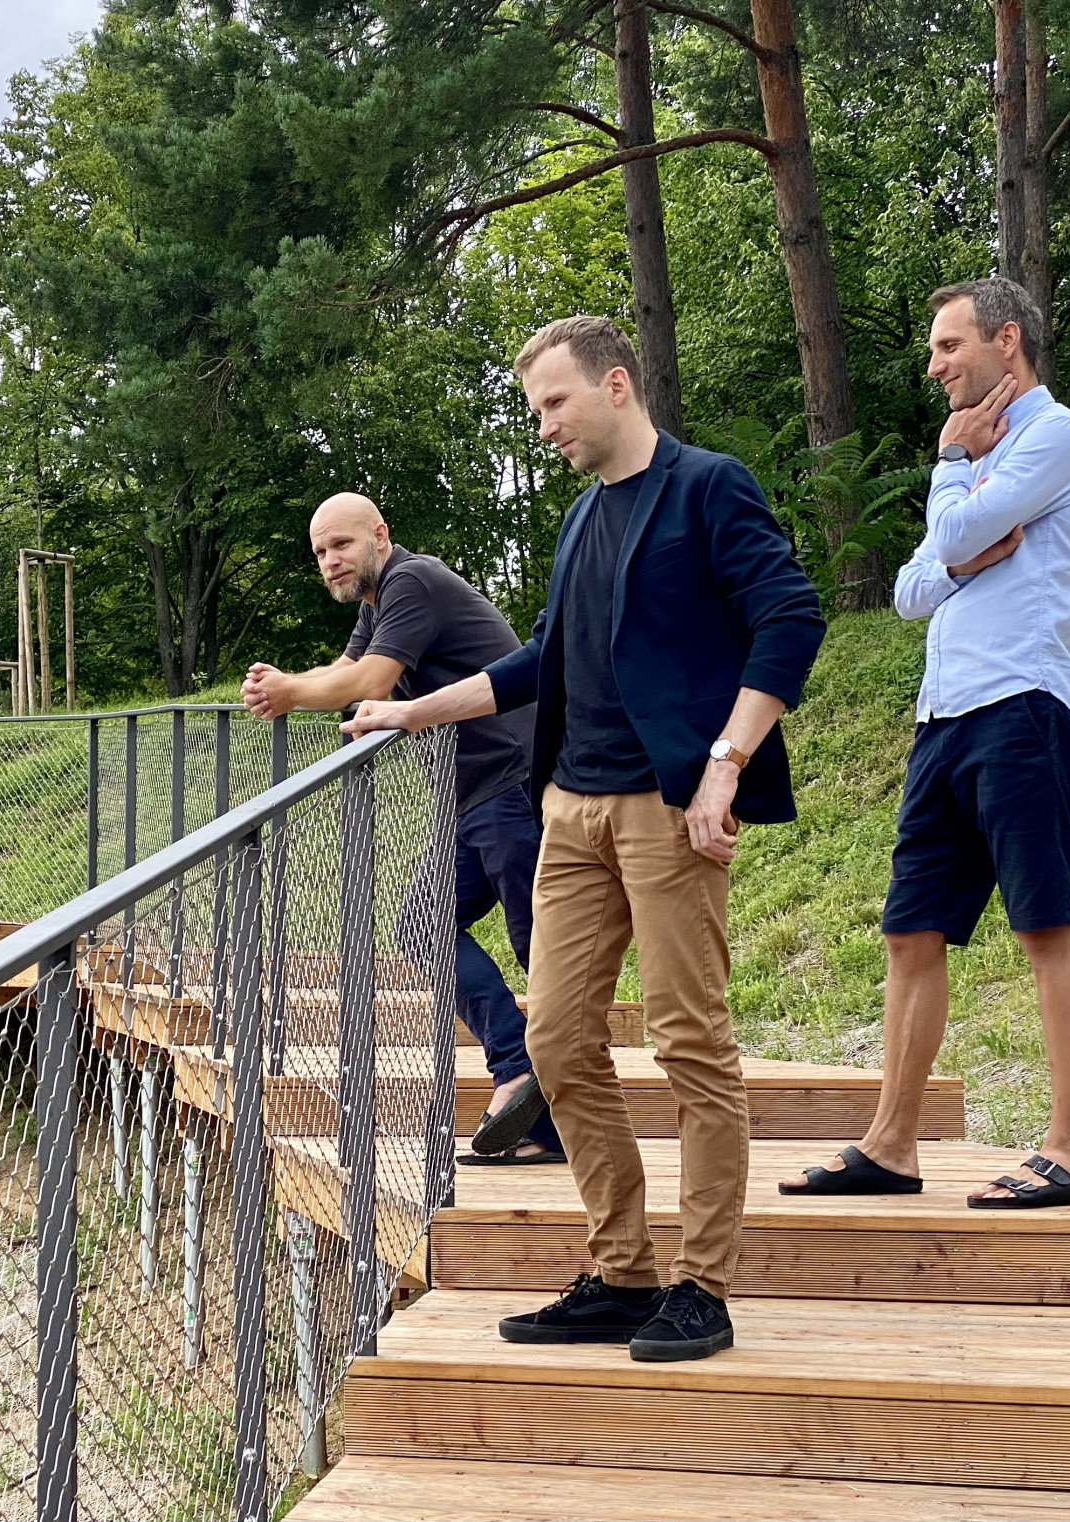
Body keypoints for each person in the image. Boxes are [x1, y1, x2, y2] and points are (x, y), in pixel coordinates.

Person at [345, 315, 824, 1361]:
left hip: (668, 808)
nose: (544, 425)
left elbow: (791, 618)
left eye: (554, 402)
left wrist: (725, 764)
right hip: (567, 807)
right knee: (557, 1040)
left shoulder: (707, 488)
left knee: (690, 1040)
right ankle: (622, 1270)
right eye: (535, 410)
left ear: (615, 384)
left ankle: (703, 1284)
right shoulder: (579, 521)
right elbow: (541, 662)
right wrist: (410, 711)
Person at [782, 277, 1070, 1209]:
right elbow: (910, 590)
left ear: (1007, 342)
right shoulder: (982, 458)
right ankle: (891, 1146)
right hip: (944, 719)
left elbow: (956, 532)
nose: (933, 367)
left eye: (947, 345)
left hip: (1024, 707)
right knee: (910, 931)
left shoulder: (1059, 436)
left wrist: (953, 472)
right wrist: (964, 544)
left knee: (1043, 923)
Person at [241, 491, 563, 1163]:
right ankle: (519, 1074)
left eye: (341, 544)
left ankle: (566, 1115)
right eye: (320, 552)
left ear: (380, 536)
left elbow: (371, 681)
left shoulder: (412, 580)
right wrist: (291, 683)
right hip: (473, 797)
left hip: (512, 784)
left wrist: (288, 692)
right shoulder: (379, 603)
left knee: (543, 951)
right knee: (422, 923)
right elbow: (348, 673)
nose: (330, 561)